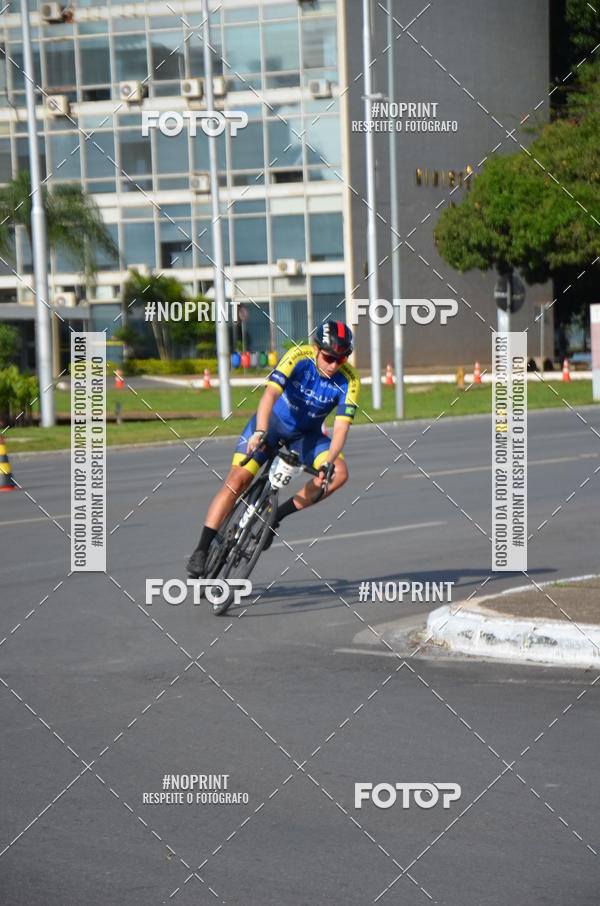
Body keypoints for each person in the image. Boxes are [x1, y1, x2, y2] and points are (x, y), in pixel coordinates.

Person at [187, 320, 360, 578]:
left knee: (339, 473)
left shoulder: (349, 380)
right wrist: (259, 431)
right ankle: (201, 549)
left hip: (306, 436)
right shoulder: (297, 357)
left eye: (342, 359)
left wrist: (328, 461)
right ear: (316, 349)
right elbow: (269, 395)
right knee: (238, 480)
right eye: (329, 357)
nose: (334, 365)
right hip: (271, 425)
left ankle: (275, 517)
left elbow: (342, 427)